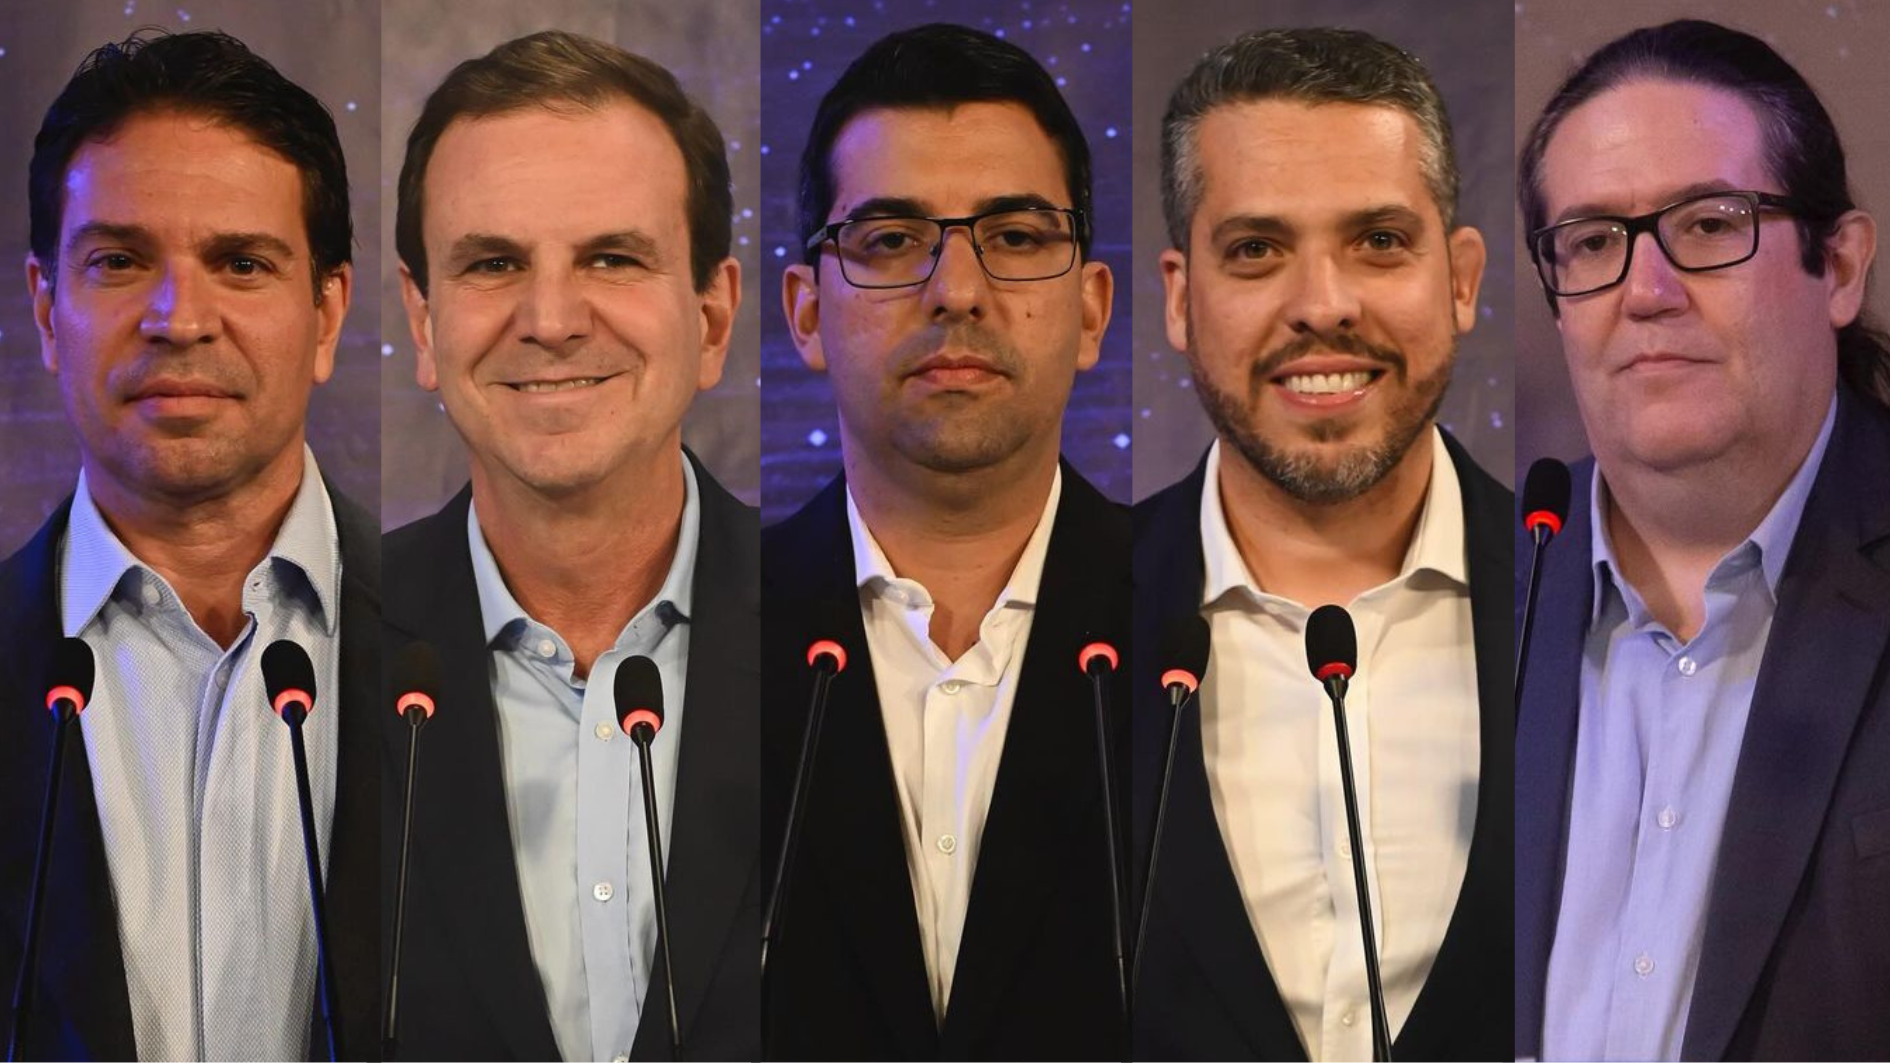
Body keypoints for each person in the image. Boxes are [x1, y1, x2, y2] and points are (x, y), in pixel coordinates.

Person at [1131, 28, 1513, 1061]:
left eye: (1378, 241)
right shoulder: (1066, 619)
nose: (1323, 306)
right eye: (1257, 250)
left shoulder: (1582, 603)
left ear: (1462, 278)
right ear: (1180, 297)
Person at [1514, 19, 1890, 1062]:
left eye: (1711, 224)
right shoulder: (1472, 591)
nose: (1646, 290)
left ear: (1840, 266)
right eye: (1594, 242)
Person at [0, 30, 376, 1061]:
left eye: (241, 263)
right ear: (47, 308)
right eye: (120, 262)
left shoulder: (466, 642)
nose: (178, 318)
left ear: (327, 312)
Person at [382, 30, 756, 1062]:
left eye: (613, 258)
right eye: (494, 263)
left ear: (713, 315)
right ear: (422, 320)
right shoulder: (318, 663)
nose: (550, 319)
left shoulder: (841, 634)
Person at [761, 23, 1126, 1060]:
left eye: (1014, 236)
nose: (956, 290)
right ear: (806, 313)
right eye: (889, 240)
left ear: (1091, 309)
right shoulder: (707, 638)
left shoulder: (1199, 625)